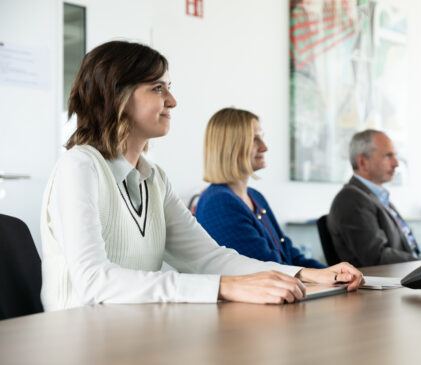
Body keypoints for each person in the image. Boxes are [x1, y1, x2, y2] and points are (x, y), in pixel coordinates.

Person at [40, 41, 363, 311]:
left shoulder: (154, 179)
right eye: (157, 88)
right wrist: (226, 287)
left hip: (131, 335)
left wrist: (305, 273)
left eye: (169, 87)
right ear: (116, 95)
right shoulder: (79, 166)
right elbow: (95, 282)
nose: (172, 100)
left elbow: (208, 258)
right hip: (78, 340)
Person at [195, 108, 326, 268]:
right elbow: (267, 267)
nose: (264, 147)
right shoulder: (219, 202)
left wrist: (332, 274)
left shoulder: (254, 196)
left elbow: (289, 254)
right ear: (230, 147)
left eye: (262, 138)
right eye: (254, 139)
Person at [327, 129, 421, 267]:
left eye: (395, 156)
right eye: (388, 156)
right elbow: (376, 257)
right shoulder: (351, 199)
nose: (396, 163)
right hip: (387, 282)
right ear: (363, 162)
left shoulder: (377, 197)